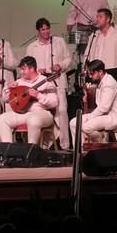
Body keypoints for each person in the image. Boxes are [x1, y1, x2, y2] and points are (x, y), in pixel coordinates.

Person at [26, 18, 72, 149]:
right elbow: (27, 65)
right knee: (44, 113)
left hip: (57, 81)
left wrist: (60, 65)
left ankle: (65, 145)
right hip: (41, 84)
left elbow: (68, 58)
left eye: (47, 29)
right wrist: (36, 71)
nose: (46, 32)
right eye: (43, 29)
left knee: (62, 111)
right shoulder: (32, 47)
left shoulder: (59, 42)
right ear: (38, 31)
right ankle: (44, 146)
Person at [0, 56, 58, 145]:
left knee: (33, 119)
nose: (21, 72)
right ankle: (8, 151)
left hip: (42, 113)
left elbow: (54, 102)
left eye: (23, 69)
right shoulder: (19, 82)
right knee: (1, 119)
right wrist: (8, 88)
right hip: (24, 113)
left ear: (32, 68)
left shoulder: (47, 82)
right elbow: (6, 99)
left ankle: (31, 151)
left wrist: (38, 95)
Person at [69, 60, 117, 148]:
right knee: (73, 123)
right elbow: (100, 104)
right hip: (104, 115)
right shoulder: (101, 82)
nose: (90, 76)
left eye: (92, 74)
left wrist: (90, 117)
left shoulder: (109, 83)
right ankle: (79, 150)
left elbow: (104, 108)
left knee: (84, 126)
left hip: (114, 117)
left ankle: (99, 141)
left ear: (100, 72)